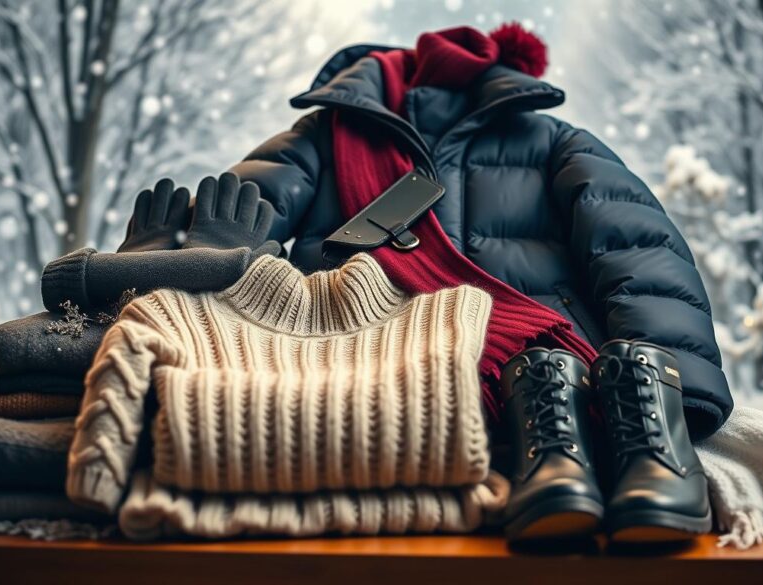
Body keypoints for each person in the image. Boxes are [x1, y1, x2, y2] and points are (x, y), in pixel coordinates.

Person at [229, 24, 732, 543]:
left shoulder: (554, 144)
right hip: (364, 369)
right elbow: (226, 229)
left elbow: (639, 251)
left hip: (541, 386)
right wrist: (168, 269)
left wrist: (666, 390)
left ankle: (592, 435)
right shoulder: (322, 140)